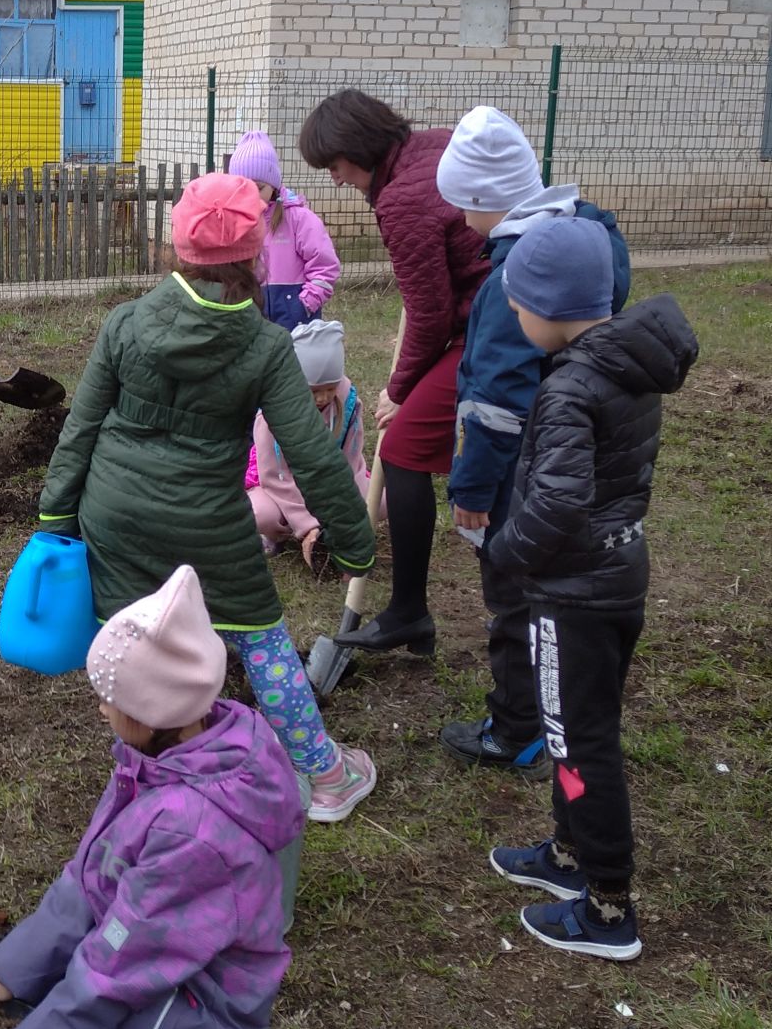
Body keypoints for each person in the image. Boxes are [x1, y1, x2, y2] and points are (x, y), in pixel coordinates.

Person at [40, 173, 378, 822]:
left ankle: (159, 778)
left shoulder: (125, 323)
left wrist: (57, 515)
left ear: (176, 250)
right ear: (255, 257)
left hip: (114, 513)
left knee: (140, 639)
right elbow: (311, 452)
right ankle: (326, 776)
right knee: (260, 639)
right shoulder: (264, 347)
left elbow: (80, 424)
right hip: (207, 524)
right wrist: (354, 542)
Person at [0, 565, 294, 1029]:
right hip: (156, 959)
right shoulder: (163, 757)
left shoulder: (192, 834)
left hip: (194, 1015)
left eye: (110, 699)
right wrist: (19, 970)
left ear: (155, 710)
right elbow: (90, 876)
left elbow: (118, 969)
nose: (100, 708)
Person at [483, 219, 697, 960]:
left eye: (519, 305)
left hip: (574, 593)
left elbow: (558, 503)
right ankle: (568, 858)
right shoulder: (624, 365)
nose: (514, 317)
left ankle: (608, 907)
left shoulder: (573, 385)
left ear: (552, 306)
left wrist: (505, 552)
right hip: (616, 574)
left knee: (580, 743)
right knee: (580, 727)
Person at [433, 107, 632, 778]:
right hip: (576, 466)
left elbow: (493, 402)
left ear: (491, 199)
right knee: (548, 601)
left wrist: (469, 488)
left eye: (467, 206)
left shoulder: (517, 280)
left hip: (523, 475)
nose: (463, 221)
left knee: (513, 596)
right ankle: (548, 709)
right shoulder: (589, 241)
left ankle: (518, 728)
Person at [297, 90, 487, 672]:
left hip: (489, 328)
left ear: (358, 150)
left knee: (402, 449)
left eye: (335, 168)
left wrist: (399, 390)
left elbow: (429, 317)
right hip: (492, 310)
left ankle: (408, 611)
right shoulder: (432, 144)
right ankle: (413, 612)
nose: (335, 181)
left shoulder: (402, 198)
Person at [248, 320, 368, 564]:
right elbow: (273, 476)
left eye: (331, 388)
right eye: (313, 391)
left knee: (379, 499)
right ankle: (278, 534)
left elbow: (351, 462)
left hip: (329, 484)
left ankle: (333, 533)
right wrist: (308, 524)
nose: (323, 398)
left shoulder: (349, 403)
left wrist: (342, 512)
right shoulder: (272, 412)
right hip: (283, 486)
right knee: (260, 513)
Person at [226, 129, 340, 330]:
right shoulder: (233, 220)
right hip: (250, 317)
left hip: (296, 322)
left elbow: (325, 266)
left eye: (259, 187)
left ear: (274, 185)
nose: (251, 195)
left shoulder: (299, 219)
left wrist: (304, 304)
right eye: (244, 187)